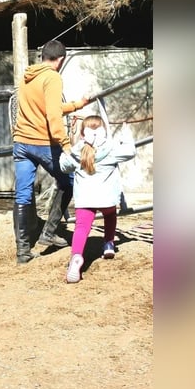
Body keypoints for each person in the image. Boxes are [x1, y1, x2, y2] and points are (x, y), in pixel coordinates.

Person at [11, 39, 89, 264]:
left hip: (21, 142)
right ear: (61, 60)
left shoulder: (27, 77)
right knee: (69, 182)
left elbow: (48, 107)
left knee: (23, 193)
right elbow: (53, 116)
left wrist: (76, 105)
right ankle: (49, 231)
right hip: (42, 141)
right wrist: (65, 146)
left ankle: (23, 252)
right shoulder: (53, 77)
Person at [60, 116, 136, 283]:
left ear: (82, 134)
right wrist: (125, 134)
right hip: (107, 200)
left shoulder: (78, 152)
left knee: (81, 228)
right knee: (110, 215)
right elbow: (130, 151)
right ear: (104, 132)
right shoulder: (112, 149)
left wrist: (70, 148)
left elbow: (63, 167)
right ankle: (108, 243)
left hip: (85, 200)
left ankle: (76, 257)